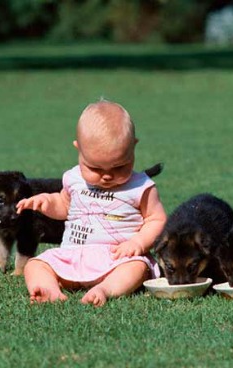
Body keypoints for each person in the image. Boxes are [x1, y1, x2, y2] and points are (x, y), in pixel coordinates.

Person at [16, 100, 167, 306]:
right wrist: (46, 203)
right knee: (35, 264)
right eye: (95, 168)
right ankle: (49, 289)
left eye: (119, 167)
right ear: (79, 149)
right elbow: (64, 205)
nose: (107, 176)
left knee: (136, 268)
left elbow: (157, 219)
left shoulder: (141, 186)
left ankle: (104, 289)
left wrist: (137, 243)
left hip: (117, 258)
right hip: (72, 256)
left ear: (134, 147)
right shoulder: (74, 178)